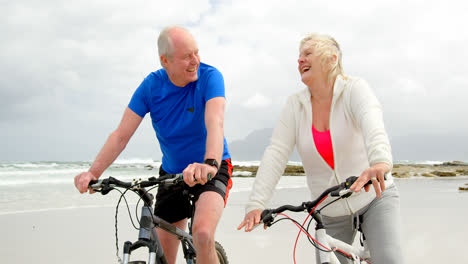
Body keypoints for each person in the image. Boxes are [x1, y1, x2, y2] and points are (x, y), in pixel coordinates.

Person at [237, 33, 403, 263]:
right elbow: (276, 154)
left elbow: (372, 123)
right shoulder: (295, 106)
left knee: (390, 260)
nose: (300, 60)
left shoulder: (355, 89)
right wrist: (257, 204)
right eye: (298, 56)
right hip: (330, 209)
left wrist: (380, 162)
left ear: (332, 59)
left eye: (308, 53)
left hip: (373, 196)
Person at [74, 25, 233, 264]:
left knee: (201, 234)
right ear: (165, 61)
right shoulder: (151, 87)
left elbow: (215, 121)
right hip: (171, 175)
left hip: (211, 168)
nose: (195, 61)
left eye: (196, 53)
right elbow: (120, 136)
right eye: (187, 56)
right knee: (162, 258)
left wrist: (209, 163)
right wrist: (93, 172)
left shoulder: (210, 77)